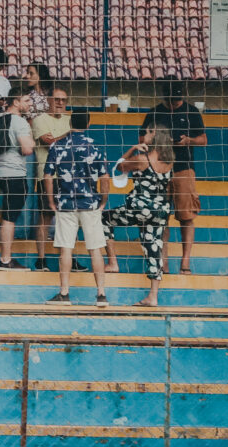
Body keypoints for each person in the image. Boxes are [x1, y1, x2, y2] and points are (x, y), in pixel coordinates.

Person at [46, 108, 113, 306]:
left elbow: (48, 177)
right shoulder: (95, 147)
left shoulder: (57, 146)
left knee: (66, 248)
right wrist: (103, 200)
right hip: (90, 202)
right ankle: (101, 294)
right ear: (88, 124)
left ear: (70, 123)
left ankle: (64, 293)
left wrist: (51, 201)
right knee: (95, 248)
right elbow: (105, 178)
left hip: (66, 203)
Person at [105, 124, 176, 308]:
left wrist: (132, 149)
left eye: (148, 132)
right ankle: (153, 296)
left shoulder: (142, 159)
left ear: (154, 136)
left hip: (140, 208)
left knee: (104, 218)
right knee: (154, 248)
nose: (144, 134)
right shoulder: (169, 162)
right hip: (160, 210)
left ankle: (112, 262)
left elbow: (120, 166)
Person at [143, 80, 207, 275]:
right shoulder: (154, 113)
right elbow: (141, 139)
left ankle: (185, 263)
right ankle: (164, 263)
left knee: (186, 217)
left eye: (177, 101)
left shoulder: (192, 112)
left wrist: (188, 141)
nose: (174, 105)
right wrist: (160, 141)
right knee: (161, 217)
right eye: (171, 101)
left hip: (183, 170)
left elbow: (203, 140)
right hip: (159, 169)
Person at [0, 91, 38, 270]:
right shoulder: (20, 122)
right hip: (15, 174)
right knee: (9, 219)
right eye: (26, 100)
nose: (30, 103)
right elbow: (27, 149)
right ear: (16, 102)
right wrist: (33, 142)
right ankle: (5, 259)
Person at [30, 88, 73, 271]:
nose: (60, 103)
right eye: (57, 99)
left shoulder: (68, 119)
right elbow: (51, 143)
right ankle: (41, 259)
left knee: (68, 219)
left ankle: (68, 258)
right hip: (47, 175)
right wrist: (71, 134)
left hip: (68, 175)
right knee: (45, 217)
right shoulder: (39, 119)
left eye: (64, 100)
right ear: (48, 100)